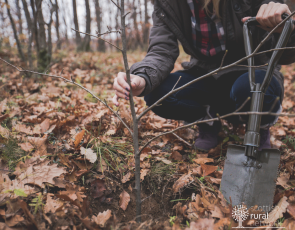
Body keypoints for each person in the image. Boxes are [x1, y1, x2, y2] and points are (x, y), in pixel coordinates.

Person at [112, 0, 295, 152]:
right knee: (159, 94)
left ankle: (259, 127)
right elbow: (161, 51)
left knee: (253, 89)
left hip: (251, 72)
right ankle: (207, 122)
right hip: (204, 75)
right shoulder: (167, 4)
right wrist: (142, 76)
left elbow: (285, 54)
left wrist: (284, 27)